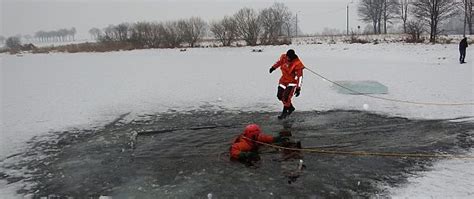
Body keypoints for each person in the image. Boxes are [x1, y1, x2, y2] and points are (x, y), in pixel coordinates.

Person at [269, 49, 305, 119]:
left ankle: (285, 112)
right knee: (279, 96)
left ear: (292, 57)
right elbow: (279, 62)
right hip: (283, 80)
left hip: (292, 82)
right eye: (287, 57)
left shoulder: (297, 64)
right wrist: (273, 67)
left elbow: (299, 77)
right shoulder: (284, 57)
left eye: (289, 58)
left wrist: (298, 88)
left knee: (286, 97)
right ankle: (290, 107)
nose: (287, 58)